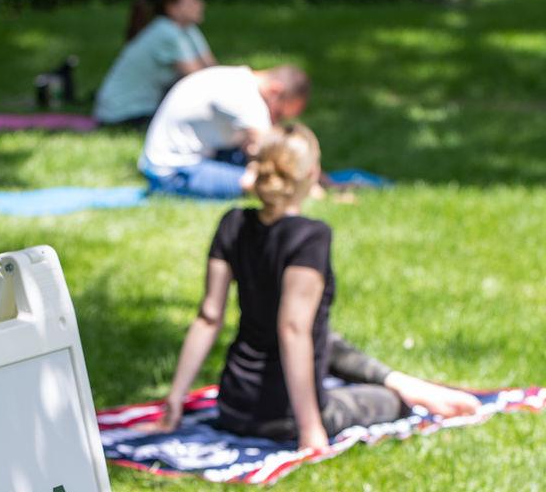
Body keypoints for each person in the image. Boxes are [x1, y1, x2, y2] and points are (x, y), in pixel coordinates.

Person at [158, 122, 478, 451]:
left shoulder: (233, 223)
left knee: (331, 342)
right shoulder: (310, 236)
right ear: (312, 173)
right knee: (390, 402)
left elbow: (209, 317)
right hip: (283, 417)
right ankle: (407, 390)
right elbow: (293, 329)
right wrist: (310, 427)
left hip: (232, 407)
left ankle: (407, 382)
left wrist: (175, 399)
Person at [139, 63, 310, 200]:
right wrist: (308, 183)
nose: (276, 121)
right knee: (267, 185)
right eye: (278, 113)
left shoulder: (237, 78)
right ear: (275, 90)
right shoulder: (244, 97)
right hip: (172, 173)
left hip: (188, 157)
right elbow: (274, 149)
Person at [94, 0, 214, 129]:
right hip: (123, 113)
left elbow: (211, 68)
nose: (201, 4)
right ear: (172, 9)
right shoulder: (166, 33)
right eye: (193, 0)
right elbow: (197, 78)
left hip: (143, 108)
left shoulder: (188, 29)